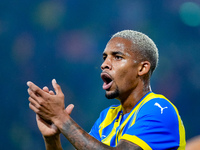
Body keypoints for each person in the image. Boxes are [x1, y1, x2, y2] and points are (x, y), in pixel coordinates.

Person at [27, 30, 186, 150]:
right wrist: (52, 139)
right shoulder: (107, 118)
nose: (104, 64)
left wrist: (60, 117)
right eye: (104, 57)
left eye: (117, 57)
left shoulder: (159, 109)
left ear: (142, 68)